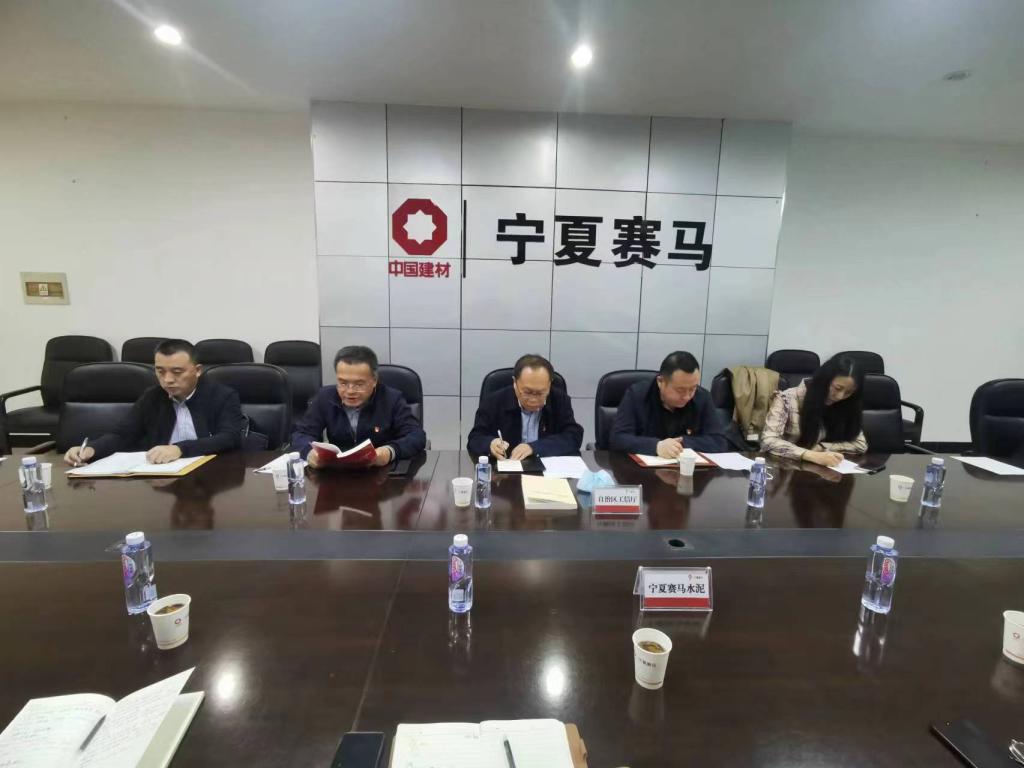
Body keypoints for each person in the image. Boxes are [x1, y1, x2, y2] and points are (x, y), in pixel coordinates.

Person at [63, 339, 244, 466]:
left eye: (177, 372)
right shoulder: (152, 397)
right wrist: (92, 449)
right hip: (162, 474)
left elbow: (230, 437)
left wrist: (179, 449)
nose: (168, 380)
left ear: (197, 370)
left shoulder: (222, 395)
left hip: (209, 471)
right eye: (160, 371)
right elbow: (123, 435)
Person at [291, 345, 426, 468]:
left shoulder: (391, 399)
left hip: (380, 473)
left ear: (374, 381)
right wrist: (309, 453)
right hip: (337, 473)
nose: (350, 391)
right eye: (343, 383)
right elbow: (301, 433)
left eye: (359, 384)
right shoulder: (325, 397)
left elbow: (416, 435)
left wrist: (389, 451)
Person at [610, 351, 728, 456]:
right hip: (639, 470)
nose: (687, 396)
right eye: (680, 390)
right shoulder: (636, 395)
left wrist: (680, 444)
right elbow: (618, 439)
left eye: (693, 389)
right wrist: (656, 446)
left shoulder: (703, 397)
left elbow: (719, 442)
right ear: (660, 381)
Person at [467, 354, 583, 460]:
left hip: (547, 469)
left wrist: (534, 447)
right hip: (506, 469)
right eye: (527, 392)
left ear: (549, 384)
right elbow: (475, 438)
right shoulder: (494, 401)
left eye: (540, 393)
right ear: (515, 383)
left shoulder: (559, 399)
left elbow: (573, 436)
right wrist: (490, 444)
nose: (533, 399)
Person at [760, 353, 868, 466]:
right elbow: (768, 440)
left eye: (848, 392)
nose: (840, 396)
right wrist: (810, 455)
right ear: (825, 380)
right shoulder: (787, 398)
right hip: (787, 467)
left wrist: (822, 447)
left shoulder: (848, 404)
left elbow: (860, 444)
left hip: (827, 470)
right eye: (837, 388)